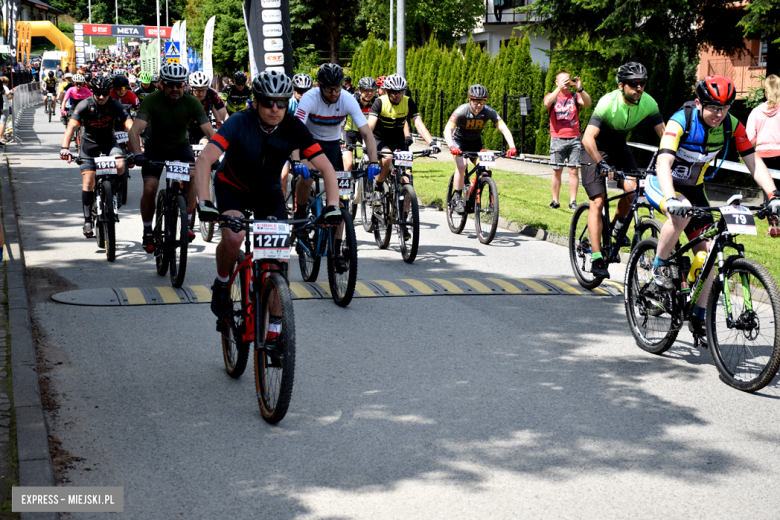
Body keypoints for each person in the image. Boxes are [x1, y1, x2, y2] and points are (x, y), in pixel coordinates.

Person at [194, 70, 343, 319]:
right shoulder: (239, 121)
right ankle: (221, 282)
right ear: (255, 102)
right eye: (268, 102)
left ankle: (275, 334)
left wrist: (333, 205)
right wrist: (204, 202)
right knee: (234, 236)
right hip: (232, 186)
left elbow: (326, 167)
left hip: (268, 192)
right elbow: (204, 160)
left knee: (277, 263)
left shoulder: (293, 127)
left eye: (281, 103)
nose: (275, 108)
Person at [645, 75, 780, 339]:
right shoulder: (680, 120)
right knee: (679, 212)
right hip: (662, 182)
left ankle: (698, 314)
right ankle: (659, 268)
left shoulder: (731, 125)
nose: (719, 114)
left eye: (725, 107)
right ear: (698, 103)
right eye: (713, 107)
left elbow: (753, 162)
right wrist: (671, 198)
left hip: (695, 189)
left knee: (708, 254)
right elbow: (663, 164)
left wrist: (773, 194)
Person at [581, 62, 666, 278]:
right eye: (633, 84)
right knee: (598, 201)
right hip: (595, 149)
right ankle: (597, 257)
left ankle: (617, 227)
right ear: (621, 85)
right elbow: (587, 137)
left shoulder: (648, 102)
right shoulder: (608, 102)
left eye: (642, 84)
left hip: (618, 147)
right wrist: (601, 163)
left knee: (632, 189)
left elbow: (665, 136)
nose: (639, 88)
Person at [128, 63, 215, 252]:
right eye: (170, 85)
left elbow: (210, 132)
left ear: (184, 85)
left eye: (179, 85)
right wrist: (137, 154)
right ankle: (147, 230)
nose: (175, 89)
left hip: (180, 148)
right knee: (150, 188)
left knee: (192, 179)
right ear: (161, 84)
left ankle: (188, 223)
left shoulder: (192, 102)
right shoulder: (151, 100)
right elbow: (135, 130)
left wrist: (216, 156)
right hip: (154, 148)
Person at [293, 63, 380, 224]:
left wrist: (374, 162)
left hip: (332, 145)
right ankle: (301, 212)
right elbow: (297, 131)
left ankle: (338, 246)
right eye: (329, 89)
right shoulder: (309, 97)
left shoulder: (347, 99)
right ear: (320, 86)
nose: (334, 93)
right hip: (309, 143)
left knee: (340, 197)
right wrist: (297, 160)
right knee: (308, 177)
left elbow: (367, 133)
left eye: (337, 88)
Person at [59, 75, 132, 237]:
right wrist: (65, 147)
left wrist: (137, 146)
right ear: (92, 91)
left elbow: (130, 125)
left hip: (109, 143)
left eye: (105, 93)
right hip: (89, 145)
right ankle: (87, 221)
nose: (101, 96)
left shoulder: (114, 104)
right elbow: (71, 127)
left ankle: (116, 192)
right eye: (97, 93)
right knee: (89, 181)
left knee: (121, 165)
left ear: (109, 92)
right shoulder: (85, 105)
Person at [443, 84, 517, 214]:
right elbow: (448, 129)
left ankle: (483, 200)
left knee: (485, 169)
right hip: (459, 143)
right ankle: (458, 197)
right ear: (470, 100)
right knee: (462, 165)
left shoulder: (489, 112)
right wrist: (452, 146)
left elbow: (503, 128)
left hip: (476, 144)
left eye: (482, 102)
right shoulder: (461, 110)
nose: (479, 105)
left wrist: (512, 146)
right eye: (476, 101)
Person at [367, 74, 439, 201]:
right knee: (387, 158)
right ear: (388, 91)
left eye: (400, 91)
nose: (397, 95)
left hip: (398, 140)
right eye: (394, 92)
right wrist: (365, 141)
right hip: (380, 139)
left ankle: (406, 215)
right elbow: (370, 125)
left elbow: (418, 123)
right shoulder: (380, 102)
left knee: (407, 176)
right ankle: (377, 187)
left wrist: (431, 143)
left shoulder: (408, 102)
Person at [543, 70, 591, 209]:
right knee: (556, 170)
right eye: (563, 80)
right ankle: (555, 201)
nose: (566, 83)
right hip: (557, 138)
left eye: (568, 80)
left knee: (574, 170)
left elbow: (587, 103)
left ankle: (573, 201)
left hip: (574, 138)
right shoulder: (552, 96)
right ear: (557, 82)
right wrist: (558, 89)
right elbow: (547, 103)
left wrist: (580, 88)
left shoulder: (575, 96)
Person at [746, 74, 780, 230]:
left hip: (762, 155)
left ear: (766, 91)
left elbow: (749, 138)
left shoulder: (756, 111)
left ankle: (773, 224)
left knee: (768, 189)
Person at [279, 73, 312, 197]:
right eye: (299, 91)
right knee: (283, 176)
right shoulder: (288, 104)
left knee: (310, 174)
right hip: (287, 143)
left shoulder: (313, 103)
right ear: (293, 90)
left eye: (306, 91)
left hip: (304, 143)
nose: (303, 94)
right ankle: (281, 206)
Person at [341, 76, 378, 173]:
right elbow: (339, 118)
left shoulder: (376, 102)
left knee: (371, 161)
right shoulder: (351, 100)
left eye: (371, 90)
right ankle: (347, 185)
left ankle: (367, 185)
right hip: (349, 132)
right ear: (360, 91)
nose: (369, 93)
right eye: (366, 90)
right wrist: (340, 137)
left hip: (366, 133)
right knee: (348, 163)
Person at [187, 70, 227, 144]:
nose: (201, 94)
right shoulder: (185, 93)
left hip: (202, 125)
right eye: (198, 90)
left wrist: (230, 129)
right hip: (185, 125)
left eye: (204, 90)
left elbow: (224, 114)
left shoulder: (211, 93)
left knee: (207, 144)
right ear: (191, 87)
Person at [0, 77, 11, 145]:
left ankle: (2, 136)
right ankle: (1, 137)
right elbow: (8, 96)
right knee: (3, 122)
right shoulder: (5, 88)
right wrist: (12, 94)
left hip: (2, 105)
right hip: (5, 106)